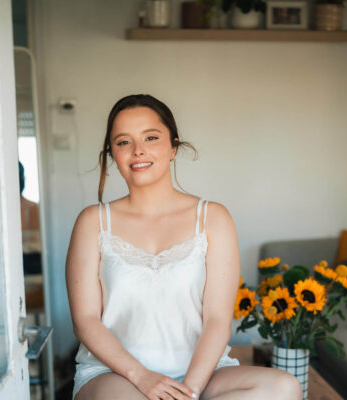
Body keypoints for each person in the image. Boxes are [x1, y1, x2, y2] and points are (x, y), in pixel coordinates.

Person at [65, 94, 302, 400]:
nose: (138, 150)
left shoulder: (213, 218)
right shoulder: (92, 222)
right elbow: (85, 322)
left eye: (151, 137)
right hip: (115, 375)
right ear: (112, 153)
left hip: (200, 373)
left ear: (173, 147)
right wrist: (143, 378)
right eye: (123, 142)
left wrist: (188, 392)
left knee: (284, 387)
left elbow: (217, 320)